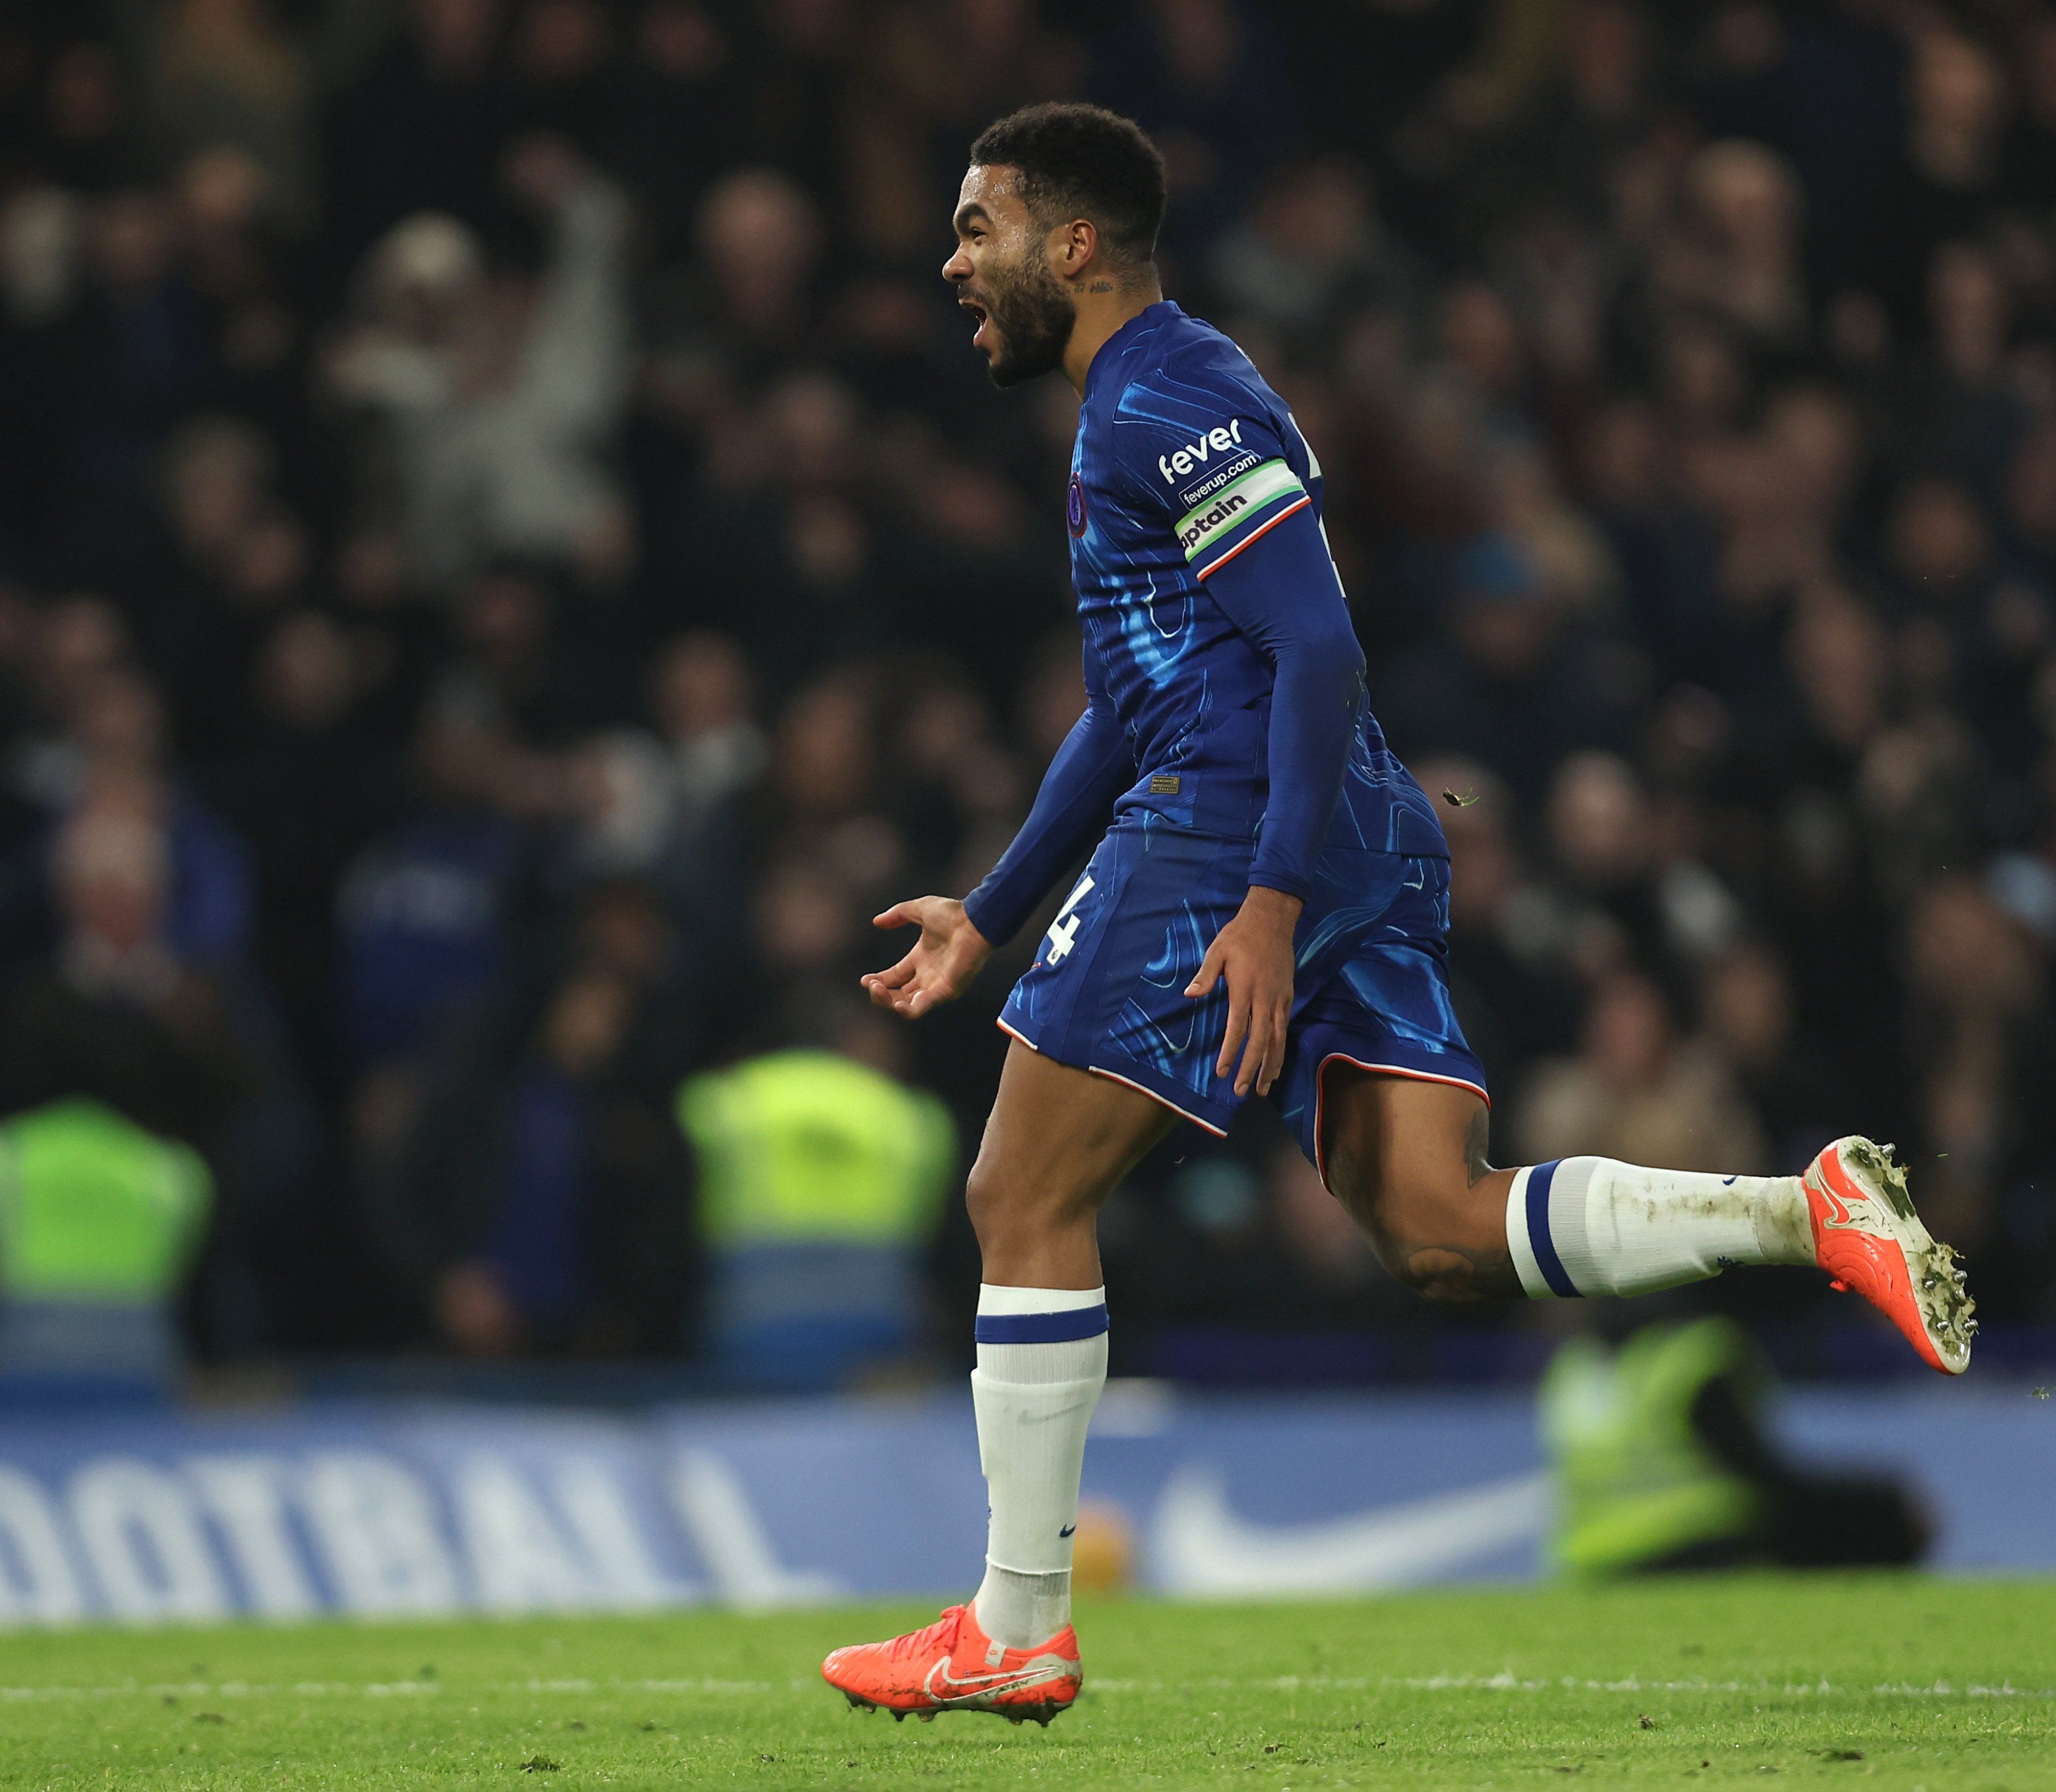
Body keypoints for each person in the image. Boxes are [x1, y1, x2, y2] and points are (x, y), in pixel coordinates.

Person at [818, 104, 1974, 1726]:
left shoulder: (1176, 395)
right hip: (1331, 823)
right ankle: (1806, 1217)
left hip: (1245, 830)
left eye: (977, 226)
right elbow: (1131, 698)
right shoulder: (1132, 408)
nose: (952, 261)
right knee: (1440, 1230)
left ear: (1072, 244)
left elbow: (1319, 647)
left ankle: (1016, 1623)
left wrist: (1271, 903)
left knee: (1020, 1190)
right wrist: (994, 910)